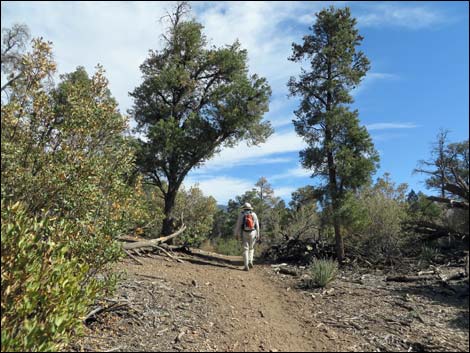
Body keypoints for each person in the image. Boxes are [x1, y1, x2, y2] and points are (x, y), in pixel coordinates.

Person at [234, 202, 260, 271]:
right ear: (250, 208)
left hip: (245, 233)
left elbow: (238, 225)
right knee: (251, 248)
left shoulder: (241, 214)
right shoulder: (254, 214)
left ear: (244, 208)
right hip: (253, 232)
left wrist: (236, 234)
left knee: (245, 249)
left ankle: (246, 265)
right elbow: (257, 225)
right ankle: (250, 261)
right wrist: (258, 234)